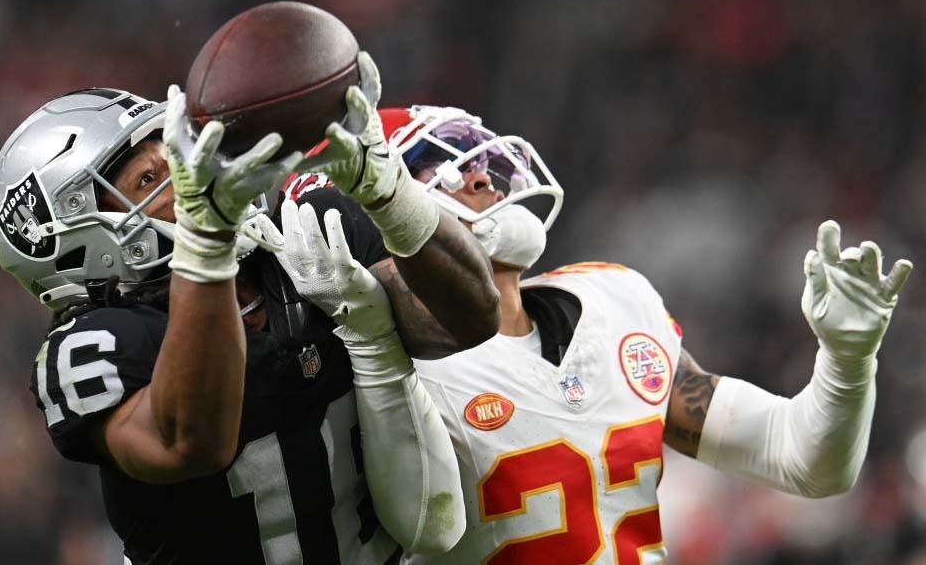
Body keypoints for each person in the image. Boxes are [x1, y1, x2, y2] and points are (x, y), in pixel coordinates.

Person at [302, 105, 910, 565]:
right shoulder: (377, 367)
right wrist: (374, 342)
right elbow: (423, 521)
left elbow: (804, 460)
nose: (487, 177)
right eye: (440, 168)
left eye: (481, 157)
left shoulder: (612, 301)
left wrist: (847, 361)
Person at [0, 53, 499, 563]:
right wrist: (206, 247)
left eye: (176, 154)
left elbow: (469, 319)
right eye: (148, 181)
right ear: (81, 243)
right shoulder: (94, 346)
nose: (189, 176)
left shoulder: (302, 239)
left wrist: (391, 195)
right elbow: (190, 442)